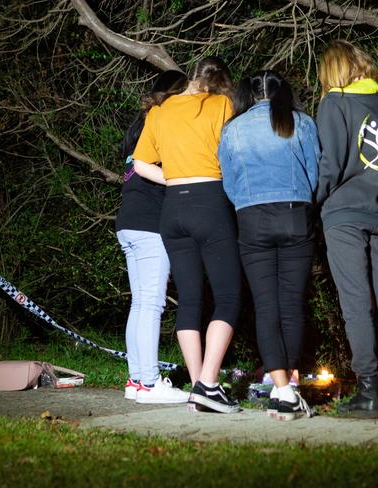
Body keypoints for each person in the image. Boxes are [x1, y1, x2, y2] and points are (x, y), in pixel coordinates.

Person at [132, 56, 242, 414]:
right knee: (227, 296)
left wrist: (176, 180)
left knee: (190, 300)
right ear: (219, 82)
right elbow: (234, 155)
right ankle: (209, 382)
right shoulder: (223, 104)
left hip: (172, 209)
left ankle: (198, 388)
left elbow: (140, 164)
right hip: (210, 201)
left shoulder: (160, 111)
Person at [316, 40, 378, 417]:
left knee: (355, 302)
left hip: (344, 212)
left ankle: (368, 393)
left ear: (333, 71)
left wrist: (312, 200)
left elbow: (332, 163)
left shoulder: (335, 103)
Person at [219, 70, 320, 421]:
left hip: (252, 219)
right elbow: (314, 173)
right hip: (295, 214)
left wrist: (248, 202)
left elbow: (228, 183)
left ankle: (282, 389)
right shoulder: (301, 122)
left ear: (246, 94)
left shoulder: (232, 129)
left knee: (266, 307)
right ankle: (287, 390)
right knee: (291, 305)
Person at [115, 70, 190, 404]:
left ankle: (136, 380)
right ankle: (148, 383)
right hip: (148, 225)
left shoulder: (139, 125)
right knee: (151, 303)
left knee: (140, 302)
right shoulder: (164, 122)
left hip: (128, 222)